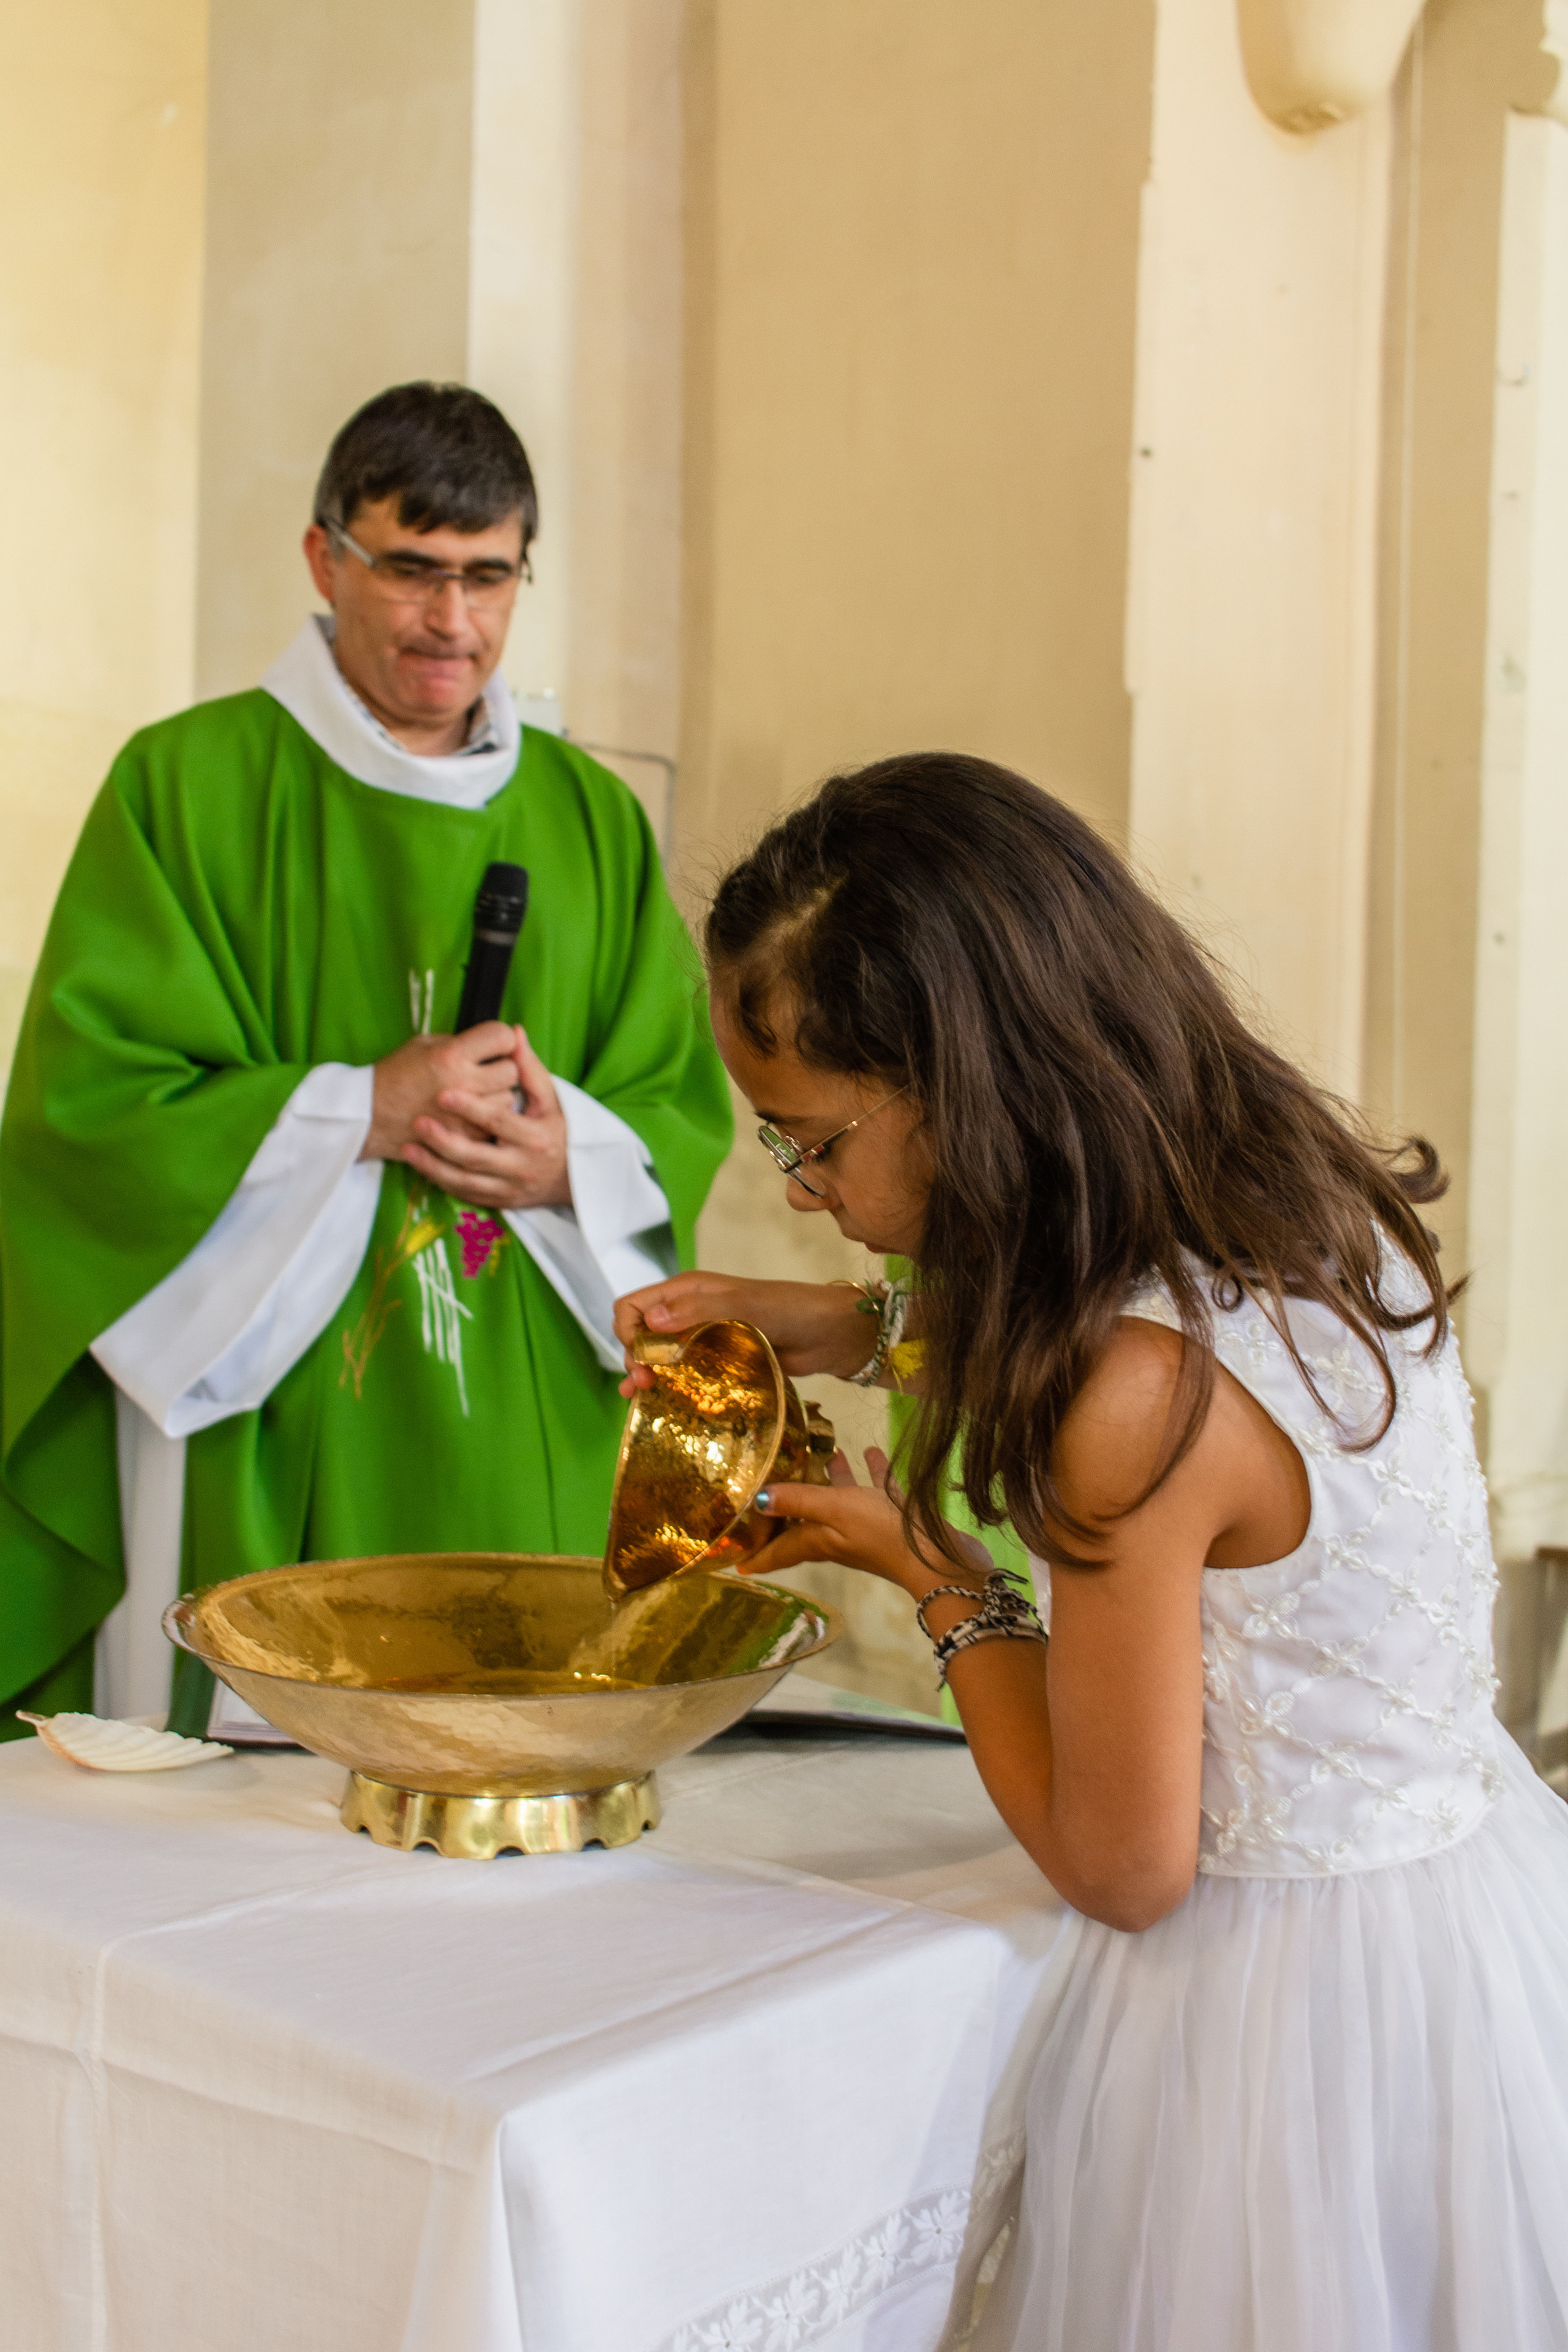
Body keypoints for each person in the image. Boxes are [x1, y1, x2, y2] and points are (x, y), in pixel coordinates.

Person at [614, 753, 1568, 2350]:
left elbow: (1124, 1868)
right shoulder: (1294, 1208)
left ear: (965, 1086)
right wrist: (837, 1324)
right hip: (1464, 1921)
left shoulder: (1127, 1406)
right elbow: (1101, 1310)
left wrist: (942, 1583)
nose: (800, 1192)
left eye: (810, 1143)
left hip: (1285, 2022)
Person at [0, 380, 731, 1738]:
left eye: (486, 578)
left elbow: (675, 1101)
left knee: (523, 1753)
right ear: (323, 556)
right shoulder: (186, 786)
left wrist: (576, 1148)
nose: (451, 622)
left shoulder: (593, 822)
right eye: (409, 571)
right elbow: (84, 1113)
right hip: (263, 1368)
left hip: (529, 1365)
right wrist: (356, 1108)